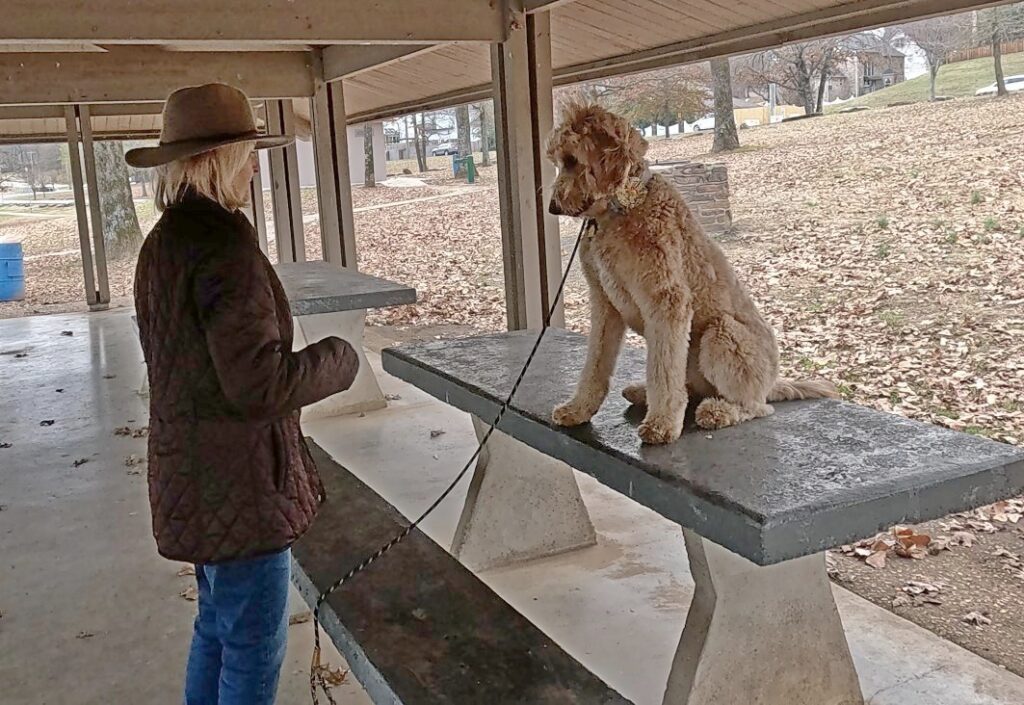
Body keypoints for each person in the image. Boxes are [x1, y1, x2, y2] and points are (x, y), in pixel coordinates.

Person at [127, 84, 359, 705]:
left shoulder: (162, 244)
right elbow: (261, 384)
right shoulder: (225, 249)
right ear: (221, 158)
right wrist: (339, 360)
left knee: (216, 629)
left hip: (194, 475)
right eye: (248, 153)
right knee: (253, 647)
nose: (256, 166)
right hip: (240, 486)